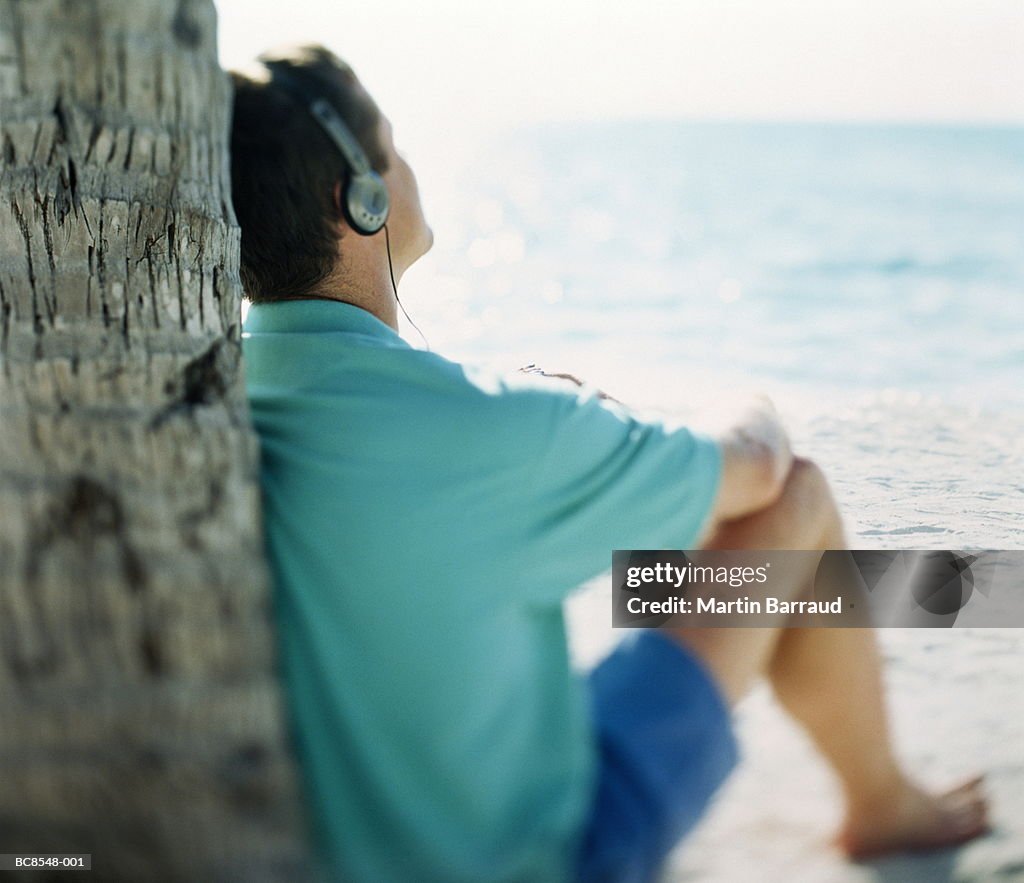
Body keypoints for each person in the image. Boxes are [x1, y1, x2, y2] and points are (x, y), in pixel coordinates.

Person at [231, 44, 989, 883]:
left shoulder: (221, 398)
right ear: (362, 200)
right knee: (794, 506)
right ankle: (884, 802)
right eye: (393, 147)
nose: (409, 167)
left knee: (647, 568)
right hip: (552, 853)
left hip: (366, 826)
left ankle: (935, 611)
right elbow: (755, 470)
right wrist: (740, 406)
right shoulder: (495, 434)